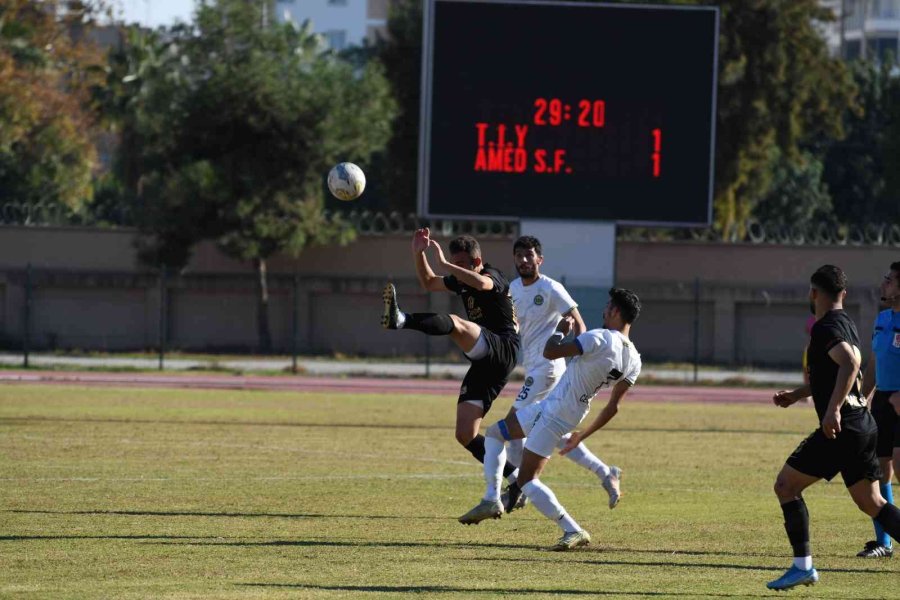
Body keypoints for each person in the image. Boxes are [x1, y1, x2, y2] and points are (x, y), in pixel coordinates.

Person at [459, 288, 642, 550]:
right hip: (568, 410)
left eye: (607, 306)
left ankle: (573, 529)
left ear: (614, 311)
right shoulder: (635, 359)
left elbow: (550, 352)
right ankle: (491, 497)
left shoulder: (599, 338)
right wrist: (583, 434)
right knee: (495, 433)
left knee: (526, 480)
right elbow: (613, 407)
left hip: (556, 411)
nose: (604, 311)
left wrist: (559, 330)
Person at [766, 265, 900, 591]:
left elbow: (850, 365)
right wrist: (797, 395)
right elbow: (839, 371)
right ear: (844, 294)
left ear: (814, 293)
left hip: (842, 429)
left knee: (786, 486)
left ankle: (803, 567)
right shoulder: (846, 323)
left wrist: (833, 411)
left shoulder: (824, 327)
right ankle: (803, 568)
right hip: (862, 425)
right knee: (872, 503)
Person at [492, 236, 623, 518]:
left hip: (548, 370)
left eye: (529, 255)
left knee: (510, 431)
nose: (524, 260)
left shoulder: (551, 287)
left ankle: (518, 489)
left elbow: (578, 322)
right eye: (519, 255)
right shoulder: (513, 289)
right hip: (535, 369)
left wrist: (579, 351)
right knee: (557, 435)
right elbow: (513, 324)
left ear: (540, 259)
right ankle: (606, 472)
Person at [382, 228, 521, 486]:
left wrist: (446, 265)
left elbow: (482, 284)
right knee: (465, 434)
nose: (455, 269)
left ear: (477, 262)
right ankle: (516, 479)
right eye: (453, 263)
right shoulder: (461, 280)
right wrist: (418, 253)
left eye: (461, 265)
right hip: (485, 359)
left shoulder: (493, 274)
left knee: (457, 323)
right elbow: (429, 282)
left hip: (503, 347)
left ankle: (402, 319)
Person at [857, 261, 900, 558]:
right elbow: (873, 364)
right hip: (883, 401)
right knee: (879, 470)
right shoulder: (883, 319)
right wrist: (862, 397)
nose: (884, 284)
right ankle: (884, 543)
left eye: (890, 280)